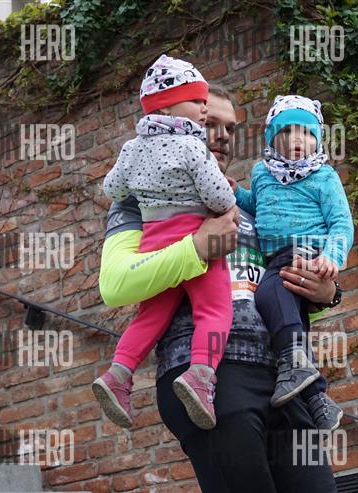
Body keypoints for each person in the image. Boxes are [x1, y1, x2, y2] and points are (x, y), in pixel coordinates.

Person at [99, 85, 339, 492]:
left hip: (285, 382)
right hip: (210, 380)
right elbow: (116, 284)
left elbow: (273, 284)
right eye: (211, 123)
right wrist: (197, 246)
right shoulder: (141, 200)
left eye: (230, 128)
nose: (223, 136)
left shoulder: (248, 204)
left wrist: (326, 293)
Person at [94, 54, 236, 431]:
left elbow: (112, 189)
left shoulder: (132, 149)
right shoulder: (192, 146)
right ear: (168, 105)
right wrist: (228, 200)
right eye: (197, 101)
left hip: (154, 239)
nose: (204, 109)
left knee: (151, 315)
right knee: (215, 310)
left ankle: (118, 374)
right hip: (195, 233)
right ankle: (200, 375)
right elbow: (218, 197)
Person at [231, 95, 353, 428]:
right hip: (276, 256)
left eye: (306, 133)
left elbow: (341, 223)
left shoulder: (323, 177)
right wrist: (236, 194)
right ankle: (318, 400)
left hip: (306, 253)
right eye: (287, 132)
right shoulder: (261, 172)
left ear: (318, 139)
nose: (297, 140)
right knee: (292, 323)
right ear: (272, 138)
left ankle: (296, 364)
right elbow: (257, 205)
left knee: (268, 294)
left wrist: (331, 256)